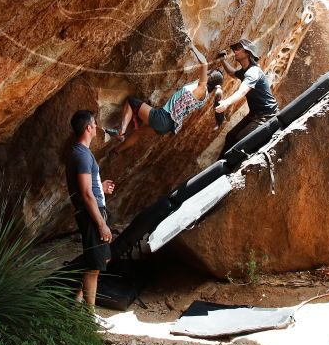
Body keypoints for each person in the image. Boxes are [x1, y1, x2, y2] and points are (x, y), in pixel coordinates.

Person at [110, 48, 224, 155]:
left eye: (209, 73)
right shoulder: (204, 98)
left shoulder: (201, 89)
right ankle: (115, 151)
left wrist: (193, 47)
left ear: (209, 78)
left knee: (131, 102)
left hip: (163, 117)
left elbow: (204, 64)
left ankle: (121, 132)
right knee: (138, 132)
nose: (207, 72)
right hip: (167, 127)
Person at [65, 110, 115, 328]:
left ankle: (76, 302)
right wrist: (101, 224)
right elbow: (85, 194)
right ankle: (89, 315)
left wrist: (100, 188)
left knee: (99, 258)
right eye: (94, 124)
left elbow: (88, 187)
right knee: (95, 264)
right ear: (88, 128)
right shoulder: (82, 155)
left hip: (93, 211)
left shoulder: (80, 152)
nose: (96, 127)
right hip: (92, 216)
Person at [215, 38, 278, 157]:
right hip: (255, 114)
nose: (235, 51)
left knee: (240, 142)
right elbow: (232, 73)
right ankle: (219, 166)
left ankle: (230, 170)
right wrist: (222, 60)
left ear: (247, 52)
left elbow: (243, 91)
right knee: (231, 136)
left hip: (266, 116)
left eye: (238, 48)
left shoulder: (253, 72)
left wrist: (226, 103)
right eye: (235, 49)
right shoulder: (245, 71)